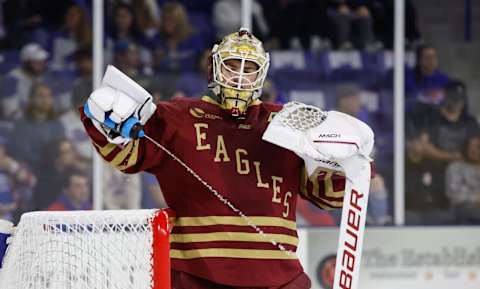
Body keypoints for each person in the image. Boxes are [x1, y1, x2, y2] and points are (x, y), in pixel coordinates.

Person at [81, 29, 372, 288]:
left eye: (250, 69)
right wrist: (104, 122)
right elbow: (128, 157)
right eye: (233, 67)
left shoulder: (289, 122)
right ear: (215, 69)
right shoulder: (178, 117)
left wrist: (349, 164)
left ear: (262, 74)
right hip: (198, 275)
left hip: (280, 277)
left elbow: (326, 195)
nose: (241, 77)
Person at [446, 136, 480, 224]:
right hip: (462, 208)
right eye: (470, 147)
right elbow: (454, 195)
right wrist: (475, 199)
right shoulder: (456, 167)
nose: (474, 150)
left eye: (478, 147)